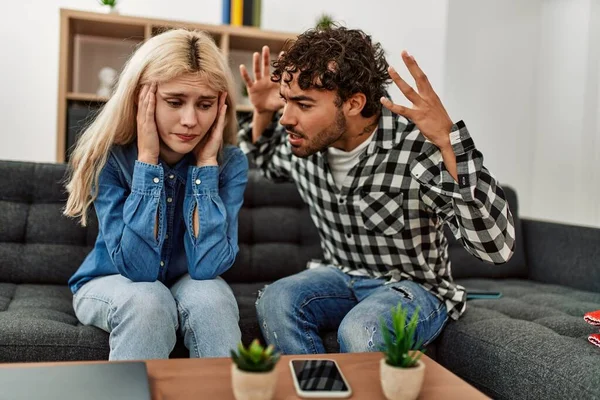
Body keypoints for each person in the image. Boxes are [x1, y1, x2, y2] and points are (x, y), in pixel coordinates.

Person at [238, 26, 515, 354]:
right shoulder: (306, 143)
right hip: (340, 275)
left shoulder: (415, 149)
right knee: (275, 300)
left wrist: (449, 143)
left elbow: (496, 248)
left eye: (303, 104)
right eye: (285, 102)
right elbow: (267, 163)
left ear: (353, 103)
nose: (286, 118)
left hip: (414, 289)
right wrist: (261, 112)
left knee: (361, 330)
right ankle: (316, 387)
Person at [64, 29, 248, 360]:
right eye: (175, 102)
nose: (191, 121)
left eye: (205, 105)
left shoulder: (230, 164)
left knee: (213, 301)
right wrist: (147, 164)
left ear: (221, 107)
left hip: (186, 278)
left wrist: (205, 167)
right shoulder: (110, 157)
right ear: (141, 98)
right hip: (110, 279)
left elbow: (207, 266)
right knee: (149, 301)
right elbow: (139, 269)